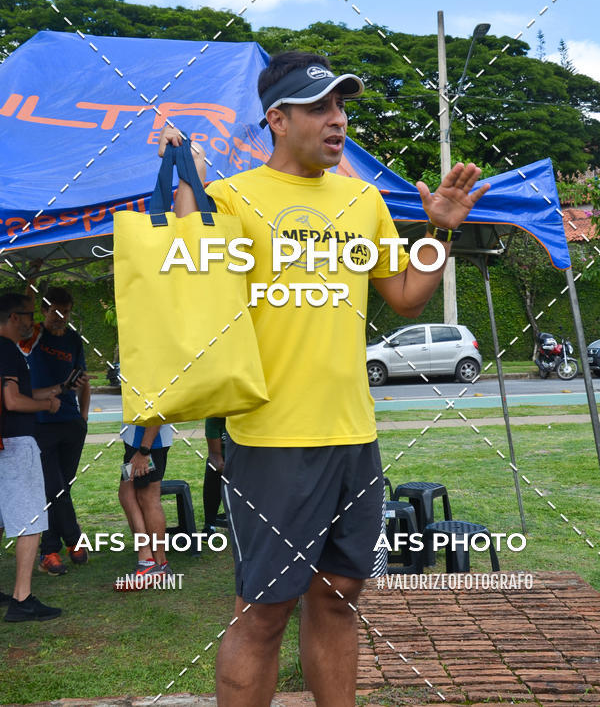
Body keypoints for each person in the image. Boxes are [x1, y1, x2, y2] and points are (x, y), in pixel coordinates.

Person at [158, 50, 489, 706]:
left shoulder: (361, 200)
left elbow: (404, 295)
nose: (336, 121)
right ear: (277, 119)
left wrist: (438, 231)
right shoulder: (231, 198)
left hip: (353, 436)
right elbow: (185, 280)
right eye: (319, 107)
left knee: (340, 599)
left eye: (341, 107)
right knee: (262, 612)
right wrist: (185, 187)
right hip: (271, 440)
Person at [18, 284, 90, 576]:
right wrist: (31, 279)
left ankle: (51, 549)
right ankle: (65, 544)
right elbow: (22, 312)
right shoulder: (32, 334)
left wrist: (83, 417)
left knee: (62, 487)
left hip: (71, 423)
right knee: (53, 487)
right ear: (44, 310)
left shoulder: (73, 339)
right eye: (56, 312)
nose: (61, 317)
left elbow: (83, 380)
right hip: (40, 423)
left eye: (67, 312)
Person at [0, 292, 62, 622]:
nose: (31, 322)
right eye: (27, 315)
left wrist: (49, 392)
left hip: (2, 443)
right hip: (16, 443)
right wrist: (45, 405)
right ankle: (22, 599)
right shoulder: (8, 349)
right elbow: (12, 400)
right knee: (30, 521)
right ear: (13, 318)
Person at [115, 422, 174, 589]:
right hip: (138, 443)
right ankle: (156, 563)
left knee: (148, 497)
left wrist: (144, 450)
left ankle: (154, 563)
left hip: (145, 444)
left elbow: (156, 410)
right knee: (126, 494)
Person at [203, 417, 226, 534]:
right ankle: (210, 524)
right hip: (223, 461)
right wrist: (226, 470)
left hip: (245, 460)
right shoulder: (213, 419)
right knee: (212, 469)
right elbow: (214, 454)